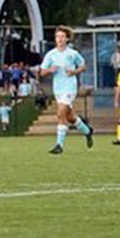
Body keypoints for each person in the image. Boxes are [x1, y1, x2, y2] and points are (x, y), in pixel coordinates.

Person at [40, 26, 94, 154]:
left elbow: (83, 66)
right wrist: (49, 70)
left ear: (67, 39)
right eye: (58, 37)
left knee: (60, 113)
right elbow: (42, 72)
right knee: (69, 117)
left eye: (62, 37)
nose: (60, 39)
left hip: (70, 87)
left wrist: (74, 71)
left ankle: (59, 145)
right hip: (58, 88)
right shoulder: (51, 55)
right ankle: (87, 131)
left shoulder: (72, 54)